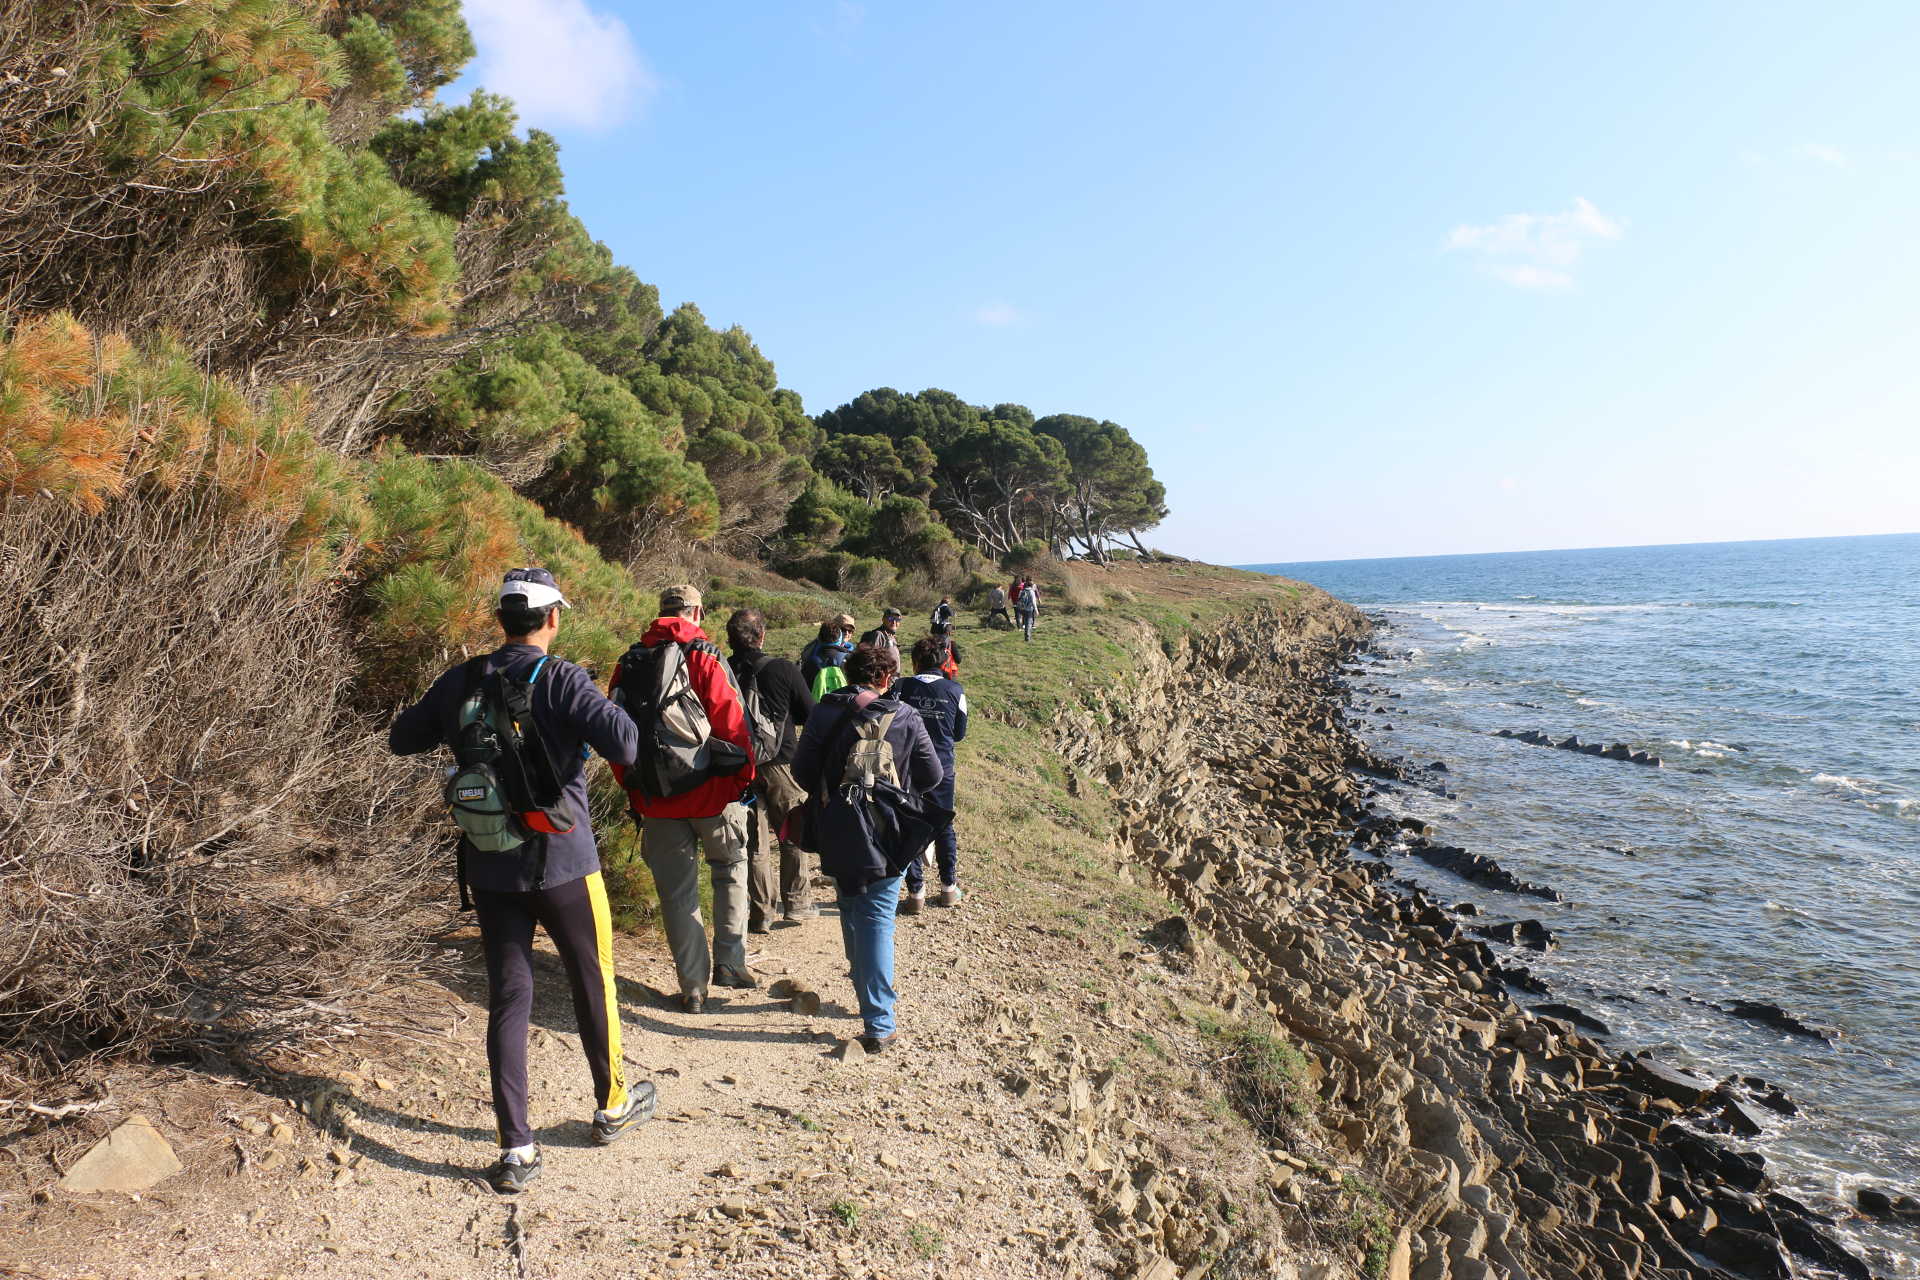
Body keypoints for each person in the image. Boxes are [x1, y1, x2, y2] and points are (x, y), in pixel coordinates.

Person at [388, 568, 654, 1194]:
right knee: (594, 980)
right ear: (552, 619)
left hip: (491, 862)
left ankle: (517, 1147)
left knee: (510, 995)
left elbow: (403, 738)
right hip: (564, 861)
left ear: (501, 618)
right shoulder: (561, 678)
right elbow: (627, 745)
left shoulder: (463, 679)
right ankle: (612, 1105)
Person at [612, 584, 756, 1013]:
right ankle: (730, 962)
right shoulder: (706, 655)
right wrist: (741, 780)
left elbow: (616, 734)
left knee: (676, 895)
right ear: (697, 612)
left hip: (656, 799)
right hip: (713, 792)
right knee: (730, 868)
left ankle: (693, 986)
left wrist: (635, 788)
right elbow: (733, 724)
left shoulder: (629, 661)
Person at [792, 644, 943, 1053]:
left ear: (849, 674)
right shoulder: (906, 716)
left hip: (838, 827)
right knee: (878, 916)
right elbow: (931, 774)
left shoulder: (824, 711)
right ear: (886, 678)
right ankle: (878, 1021)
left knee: (849, 903)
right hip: (888, 831)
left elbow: (802, 770)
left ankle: (865, 991)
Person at [725, 607, 817, 929]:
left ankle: (761, 913)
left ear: (730, 639)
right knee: (792, 835)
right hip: (782, 764)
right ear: (761, 635)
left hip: (738, 766)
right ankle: (796, 905)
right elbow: (809, 714)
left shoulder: (721, 670)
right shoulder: (782, 669)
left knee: (754, 844)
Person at [891, 636, 969, 912]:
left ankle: (916, 893)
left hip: (906, 769)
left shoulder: (899, 687)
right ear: (943, 661)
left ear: (914, 662)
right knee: (944, 825)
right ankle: (948, 888)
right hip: (943, 769)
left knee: (910, 825)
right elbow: (959, 734)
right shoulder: (955, 690)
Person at [800, 614, 856, 693]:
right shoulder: (815, 650)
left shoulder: (852, 650)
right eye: (843, 629)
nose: (847, 633)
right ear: (836, 629)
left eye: (850, 631)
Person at [1014, 577, 1041, 642]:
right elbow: (1034, 602)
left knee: (1025, 620)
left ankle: (1025, 631)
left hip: (1022, 609)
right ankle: (1027, 637)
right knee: (1029, 623)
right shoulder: (1031, 592)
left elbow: (1018, 599)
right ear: (1031, 586)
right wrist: (1036, 611)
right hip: (1029, 609)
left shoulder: (1022, 591)